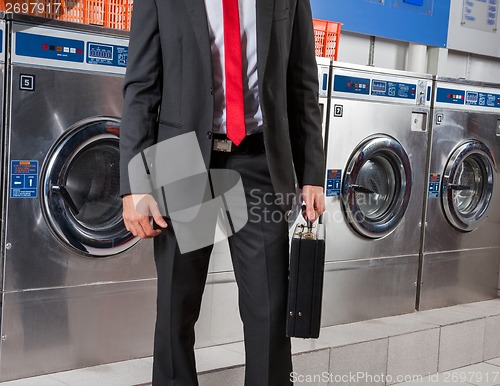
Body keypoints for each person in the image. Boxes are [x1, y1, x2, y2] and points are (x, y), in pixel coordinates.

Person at [119, 0, 326, 384]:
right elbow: (142, 87)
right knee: (175, 311)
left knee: (269, 311)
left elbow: (302, 81)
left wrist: (312, 172)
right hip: (183, 158)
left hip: (259, 161)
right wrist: (134, 186)